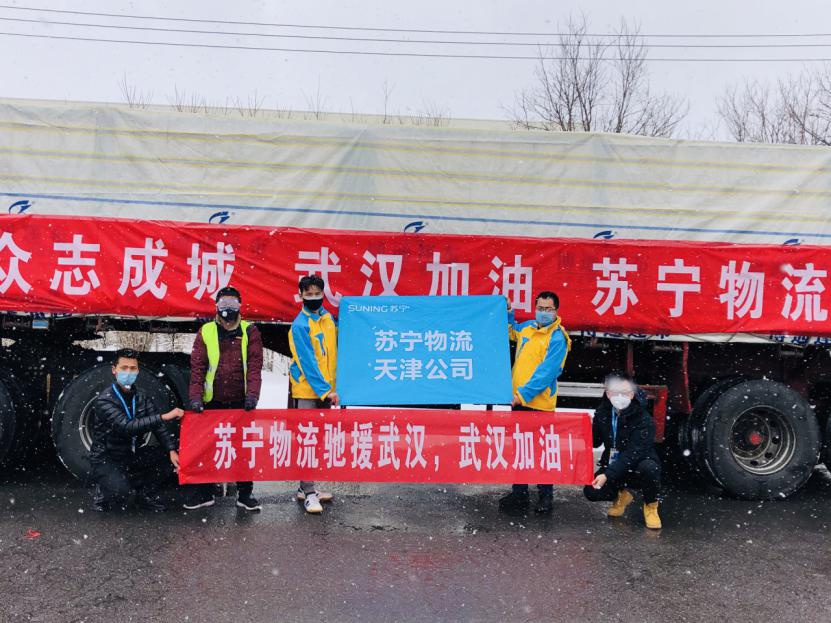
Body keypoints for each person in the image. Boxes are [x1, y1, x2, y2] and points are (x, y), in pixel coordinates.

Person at [184, 286, 264, 511]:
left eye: (233, 304)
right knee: (207, 447)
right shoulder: (206, 331)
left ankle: (245, 494)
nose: (228, 308)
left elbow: (255, 367)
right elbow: (198, 367)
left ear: (240, 306)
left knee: (243, 448)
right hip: (213, 401)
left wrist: (252, 396)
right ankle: (205, 493)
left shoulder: (250, 331)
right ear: (216, 306)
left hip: (241, 402)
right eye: (223, 304)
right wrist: (196, 397)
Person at [499, 291, 571, 514]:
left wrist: (523, 395)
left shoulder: (558, 338)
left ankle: (545, 495)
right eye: (540, 308)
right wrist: (508, 311)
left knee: (542, 451)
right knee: (520, 449)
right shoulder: (528, 328)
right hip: (519, 402)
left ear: (556, 311)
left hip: (540, 405)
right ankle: (519, 493)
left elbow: (546, 373)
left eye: (548, 309)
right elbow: (510, 331)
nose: (543, 312)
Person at [89, 348, 183, 512]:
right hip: (108, 457)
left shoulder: (141, 396)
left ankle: (144, 495)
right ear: (114, 370)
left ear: (138, 371)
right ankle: (104, 489)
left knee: (169, 457)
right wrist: (165, 416)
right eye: (124, 368)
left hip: (131, 453)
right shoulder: (104, 400)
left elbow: (158, 427)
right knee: (120, 496)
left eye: (133, 368)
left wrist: (171, 450)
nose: (128, 372)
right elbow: (127, 427)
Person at [583, 373, 662, 529]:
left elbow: (634, 454)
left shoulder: (643, 418)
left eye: (625, 392)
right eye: (615, 391)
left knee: (649, 469)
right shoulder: (603, 412)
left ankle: (651, 505)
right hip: (614, 464)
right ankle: (622, 495)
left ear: (632, 394)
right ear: (608, 393)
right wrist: (588, 427)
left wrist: (607, 475)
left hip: (636, 465)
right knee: (591, 491)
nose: (620, 396)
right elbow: (596, 442)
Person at [288, 274, 338, 514]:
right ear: (301, 296)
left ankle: (305, 487)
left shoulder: (328, 320)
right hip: (308, 391)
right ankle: (308, 493)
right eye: (309, 294)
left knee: (317, 440)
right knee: (307, 439)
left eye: (317, 293)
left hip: (326, 391)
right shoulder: (299, 325)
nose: (314, 297)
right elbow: (307, 363)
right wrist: (325, 391)